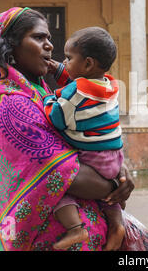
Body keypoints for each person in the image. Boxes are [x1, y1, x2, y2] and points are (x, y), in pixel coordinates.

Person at [0, 7, 134, 251]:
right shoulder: (13, 106)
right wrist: (115, 185)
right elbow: (66, 174)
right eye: (39, 38)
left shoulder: (39, 94)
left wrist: (117, 171)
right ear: (11, 49)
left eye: (48, 38)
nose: (49, 45)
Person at [42, 27, 125, 250]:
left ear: (88, 64)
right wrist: (58, 69)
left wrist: (47, 99)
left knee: (56, 186)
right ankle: (117, 225)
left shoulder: (76, 92)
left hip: (93, 157)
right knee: (108, 196)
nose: (64, 62)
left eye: (68, 58)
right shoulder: (107, 83)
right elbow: (76, 79)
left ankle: (75, 229)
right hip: (114, 157)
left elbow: (57, 117)